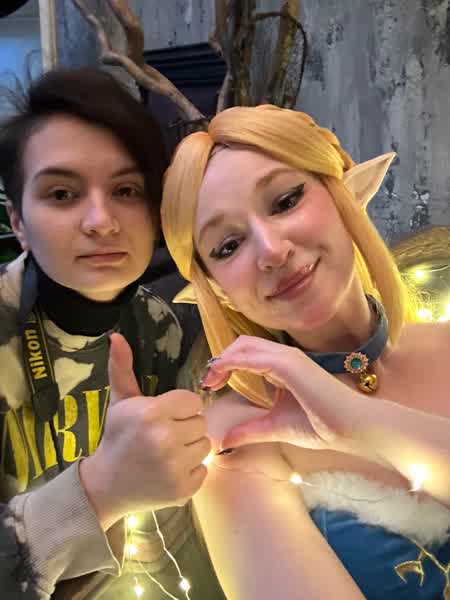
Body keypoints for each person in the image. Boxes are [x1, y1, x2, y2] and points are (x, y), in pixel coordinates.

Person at [160, 104, 450, 599]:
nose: (272, 250)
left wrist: (361, 424)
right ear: (219, 291)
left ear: (342, 197)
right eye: (228, 246)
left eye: (286, 200)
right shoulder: (235, 442)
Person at [0, 67, 225, 599]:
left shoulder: (160, 326)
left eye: (126, 190)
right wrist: (99, 491)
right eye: (62, 193)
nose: (101, 221)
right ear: (19, 222)